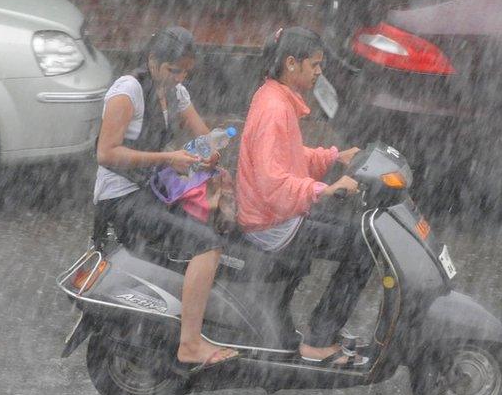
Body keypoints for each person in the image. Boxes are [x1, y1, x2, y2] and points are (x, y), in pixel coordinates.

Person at [93, 26, 237, 372]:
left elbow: (205, 137)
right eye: (174, 70)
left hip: (151, 190)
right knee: (207, 244)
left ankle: (198, 315)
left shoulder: (176, 95)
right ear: (153, 61)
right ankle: (189, 343)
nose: (180, 77)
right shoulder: (128, 92)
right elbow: (106, 153)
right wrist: (167, 158)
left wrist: (213, 156)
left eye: (186, 71)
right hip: (121, 200)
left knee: (218, 223)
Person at [235, 26, 373, 367]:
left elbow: (291, 157)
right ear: (291, 64)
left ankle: (320, 333)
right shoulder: (274, 109)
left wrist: (333, 157)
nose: (319, 71)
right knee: (362, 246)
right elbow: (272, 181)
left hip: (278, 213)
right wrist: (324, 190)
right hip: (270, 223)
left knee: (358, 231)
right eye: (315, 64)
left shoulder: (275, 98)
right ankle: (319, 341)